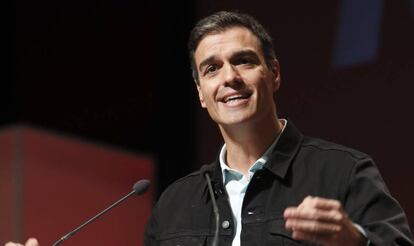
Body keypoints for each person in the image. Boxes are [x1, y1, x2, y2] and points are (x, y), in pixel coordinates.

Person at [5, 10, 413, 246]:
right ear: (201, 93)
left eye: (244, 61)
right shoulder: (175, 203)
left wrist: (357, 243)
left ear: (273, 74)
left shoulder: (343, 172)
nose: (229, 77)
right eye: (212, 69)